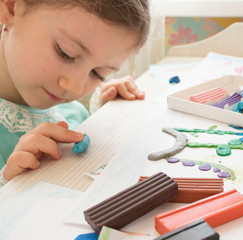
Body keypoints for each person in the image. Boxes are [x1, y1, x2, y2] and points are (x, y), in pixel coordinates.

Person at [0, 0, 150, 185]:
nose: (75, 88)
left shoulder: (74, 112)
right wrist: (7, 183)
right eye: (65, 53)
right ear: (11, 7)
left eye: (98, 74)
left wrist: (104, 109)